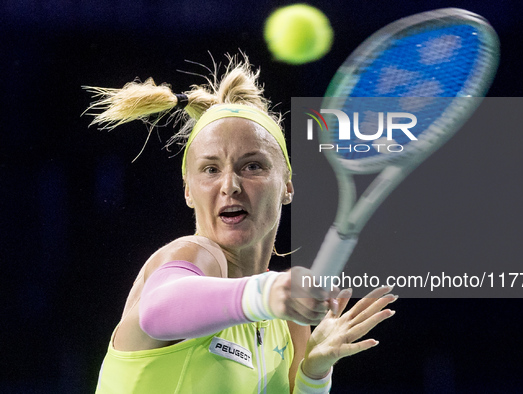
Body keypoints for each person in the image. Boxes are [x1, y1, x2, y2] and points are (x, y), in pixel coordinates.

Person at [86, 55, 397, 393]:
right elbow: (157, 310)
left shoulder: (287, 321)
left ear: (287, 185)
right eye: (210, 169)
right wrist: (268, 293)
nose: (230, 185)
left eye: (252, 166)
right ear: (188, 190)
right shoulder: (193, 257)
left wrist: (314, 373)